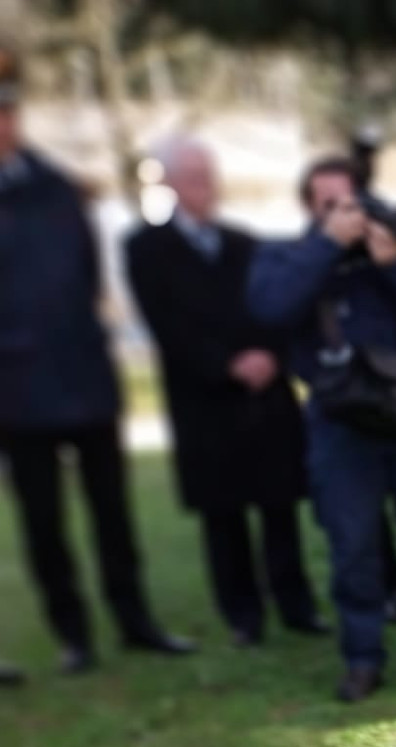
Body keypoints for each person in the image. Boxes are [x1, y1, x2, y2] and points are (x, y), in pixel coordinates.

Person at [247, 155, 396, 703]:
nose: (340, 213)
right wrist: (327, 245)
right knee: (352, 548)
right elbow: (269, 308)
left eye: (347, 202)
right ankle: (362, 658)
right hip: (341, 424)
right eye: (326, 204)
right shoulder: (288, 256)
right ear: (310, 207)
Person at [0, 42, 192, 674]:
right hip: (16, 391)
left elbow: (85, 276)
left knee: (113, 513)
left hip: (83, 372)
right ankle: (73, 635)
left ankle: (135, 620)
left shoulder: (59, 188)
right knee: (44, 524)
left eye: (7, 113)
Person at [126, 137, 323, 648]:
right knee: (224, 514)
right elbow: (166, 325)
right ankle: (244, 616)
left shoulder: (244, 242)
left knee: (279, 506)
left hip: (265, 395)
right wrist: (226, 364)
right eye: (192, 176)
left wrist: (268, 356)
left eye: (208, 174)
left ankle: (296, 606)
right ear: (167, 182)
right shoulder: (145, 250)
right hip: (205, 400)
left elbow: (275, 305)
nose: (204, 185)